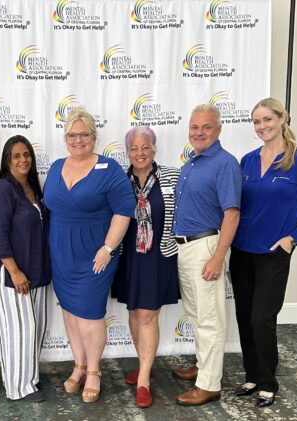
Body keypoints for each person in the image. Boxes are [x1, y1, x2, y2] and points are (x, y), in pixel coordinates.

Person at [229, 98, 297, 407]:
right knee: (244, 316)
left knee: (262, 318)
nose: (261, 127)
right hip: (241, 251)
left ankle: (268, 380)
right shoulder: (246, 160)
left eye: (267, 120)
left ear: (282, 118)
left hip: (273, 253)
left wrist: (293, 238)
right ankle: (252, 375)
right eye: (256, 122)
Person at [43, 108, 136, 403]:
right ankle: (79, 364)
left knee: (89, 315)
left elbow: (124, 213)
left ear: (94, 137)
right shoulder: (57, 167)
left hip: (96, 254)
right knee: (70, 313)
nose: (78, 140)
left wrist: (108, 249)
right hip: (61, 253)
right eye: (72, 134)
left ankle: (94, 371)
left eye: (84, 134)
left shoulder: (109, 169)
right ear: (65, 138)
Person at [172, 104, 242, 406]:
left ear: (219, 130)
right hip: (185, 247)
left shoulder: (225, 163)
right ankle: (204, 367)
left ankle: (210, 384)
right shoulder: (191, 162)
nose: (199, 133)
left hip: (207, 247)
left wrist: (217, 258)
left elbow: (232, 214)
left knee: (210, 318)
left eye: (206, 127)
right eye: (195, 127)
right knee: (198, 314)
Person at [112, 126, 180, 408]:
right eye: (133, 148)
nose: (139, 153)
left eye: (145, 147)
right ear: (127, 152)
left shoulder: (172, 176)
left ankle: (144, 381)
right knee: (133, 311)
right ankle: (143, 365)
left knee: (148, 315)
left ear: (154, 148)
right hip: (129, 256)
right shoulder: (119, 180)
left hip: (158, 255)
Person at [0, 135, 51, 402]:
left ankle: (29, 378)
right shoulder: (2, 189)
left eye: (27, 155)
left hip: (36, 271)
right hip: (12, 274)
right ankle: (17, 388)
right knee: (18, 331)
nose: (23, 160)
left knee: (34, 329)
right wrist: (14, 271)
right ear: (7, 160)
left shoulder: (34, 187)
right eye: (16, 156)